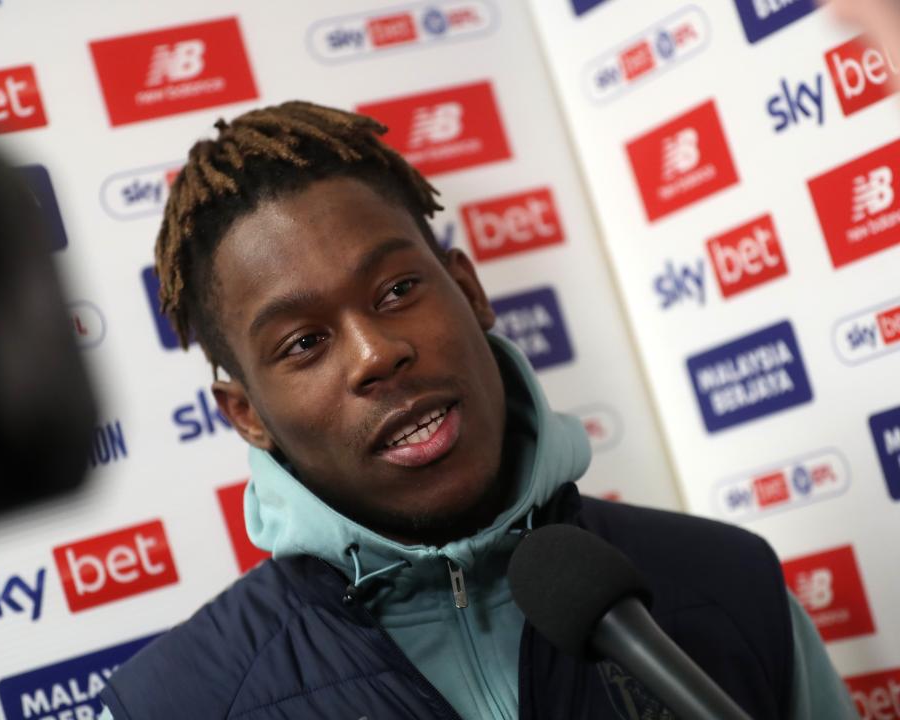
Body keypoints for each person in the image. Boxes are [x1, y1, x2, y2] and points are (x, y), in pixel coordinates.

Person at [98, 102, 855, 719]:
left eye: (396, 291)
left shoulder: (729, 584)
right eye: (304, 342)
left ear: (468, 290)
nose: (375, 354)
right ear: (246, 416)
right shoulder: (175, 702)